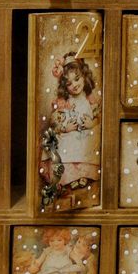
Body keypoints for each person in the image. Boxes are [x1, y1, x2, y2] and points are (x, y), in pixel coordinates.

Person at [42, 53, 101, 195]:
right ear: (64, 86)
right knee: (66, 142)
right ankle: (72, 177)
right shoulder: (63, 101)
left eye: (77, 79)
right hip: (71, 132)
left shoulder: (89, 99)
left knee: (92, 139)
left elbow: (99, 117)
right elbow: (54, 121)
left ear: (84, 76)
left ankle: (84, 174)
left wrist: (92, 123)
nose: (74, 85)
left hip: (85, 132)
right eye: (69, 83)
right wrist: (65, 127)